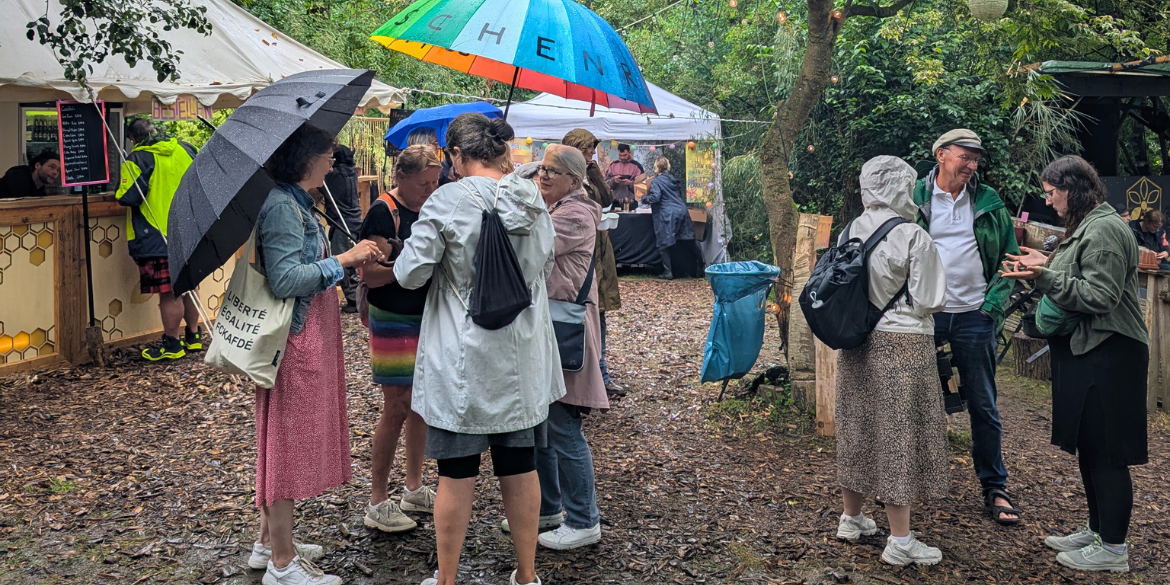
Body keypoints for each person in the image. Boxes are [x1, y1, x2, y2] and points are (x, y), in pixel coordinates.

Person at [392, 113, 563, 585]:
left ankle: (447, 580)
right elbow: (543, 268)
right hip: (521, 358)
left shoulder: (445, 201)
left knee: (456, 471)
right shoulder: (533, 200)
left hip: (461, 362)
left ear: (456, 156)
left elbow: (410, 274)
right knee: (520, 465)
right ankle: (526, 575)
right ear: (501, 152)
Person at [246, 123, 383, 585]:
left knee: (279, 439)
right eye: (327, 153)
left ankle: (268, 543)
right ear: (306, 159)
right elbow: (286, 280)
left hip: (305, 336)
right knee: (286, 445)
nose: (333, 161)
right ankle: (283, 566)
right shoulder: (284, 207)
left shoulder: (297, 203)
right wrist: (343, 261)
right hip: (296, 341)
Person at [1000, 155, 1148, 573]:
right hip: (1088, 351)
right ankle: (1098, 529)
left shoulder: (1102, 229)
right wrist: (1044, 263)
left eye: (1052, 193)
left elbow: (1098, 295)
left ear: (1074, 189)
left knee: (1107, 451)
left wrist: (1042, 278)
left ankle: (1114, 549)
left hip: (1110, 352)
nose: (1049, 202)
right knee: (1089, 445)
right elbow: (1080, 274)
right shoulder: (1086, 227)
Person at [834, 156, 949, 566]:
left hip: (855, 342)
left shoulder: (849, 229)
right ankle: (900, 541)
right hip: (902, 343)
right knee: (897, 435)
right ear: (903, 187)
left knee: (856, 425)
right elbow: (930, 299)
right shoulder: (913, 236)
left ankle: (852, 518)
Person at [912, 129, 1021, 524]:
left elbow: (1009, 261)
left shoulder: (989, 202)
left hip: (975, 314)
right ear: (941, 155)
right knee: (912, 399)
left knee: (983, 404)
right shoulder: (915, 199)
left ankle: (995, 487)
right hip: (926, 314)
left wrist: (991, 309)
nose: (972, 165)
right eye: (965, 157)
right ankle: (905, 483)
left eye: (976, 159)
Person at [526, 145, 608, 550]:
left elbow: (531, 245)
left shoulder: (574, 214)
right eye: (541, 168)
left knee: (562, 425)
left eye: (552, 172)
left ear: (574, 181)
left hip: (565, 332)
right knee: (544, 425)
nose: (542, 176)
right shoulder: (559, 207)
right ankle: (548, 509)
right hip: (551, 329)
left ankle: (583, 519)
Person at [358, 145, 441, 534]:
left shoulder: (432, 205)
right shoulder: (382, 211)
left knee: (421, 404)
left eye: (436, 180)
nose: (431, 188)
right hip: (392, 316)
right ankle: (377, 499)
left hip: (426, 314)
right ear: (402, 178)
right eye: (424, 182)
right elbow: (370, 275)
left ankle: (413, 486)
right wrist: (407, 265)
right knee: (397, 406)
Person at [115, 118, 204, 361]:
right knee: (190, 287)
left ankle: (172, 344)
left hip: (156, 235)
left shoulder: (138, 158)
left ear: (133, 139)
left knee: (170, 292)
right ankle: (194, 336)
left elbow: (126, 196)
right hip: (189, 231)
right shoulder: (187, 149)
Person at [561, 129, 624, 397]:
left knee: (600, 313)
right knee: (581, 311)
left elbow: (607, 200)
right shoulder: (565, 177)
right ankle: (582, 374)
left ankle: (602, 373)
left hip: (600, 249)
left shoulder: (590, 174)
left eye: (592, 148)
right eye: (587, 148)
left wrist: (594, 170)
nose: (591, 152)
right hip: (580, 252)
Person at [317, 144, 363, 313]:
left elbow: (319, 185)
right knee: (354, 263)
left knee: (341, 261)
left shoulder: (333, 176)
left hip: (342, 223)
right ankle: (358, 297)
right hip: (356, 220)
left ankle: (353, 300)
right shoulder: (353, 173)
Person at [641, 157, 700, 280]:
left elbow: (656, 197)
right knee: (689, 239)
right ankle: (701, 267)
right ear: (668, 166)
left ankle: (668, 272)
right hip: (682, 210)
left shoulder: (656, 182)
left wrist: (643, 198)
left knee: (664, 242)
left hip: (667, 213)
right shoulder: (673, 179)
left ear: (656, 167)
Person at [605, 143, 644, 210]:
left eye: (624, 155)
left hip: (632, 203)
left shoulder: (637, 167)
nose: (622, 158)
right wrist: (614, 180)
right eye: (620, 155)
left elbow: (642, 187)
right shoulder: (613, 165)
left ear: (630, 152)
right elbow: (605, 184)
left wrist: (630, 183)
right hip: (616, 202)